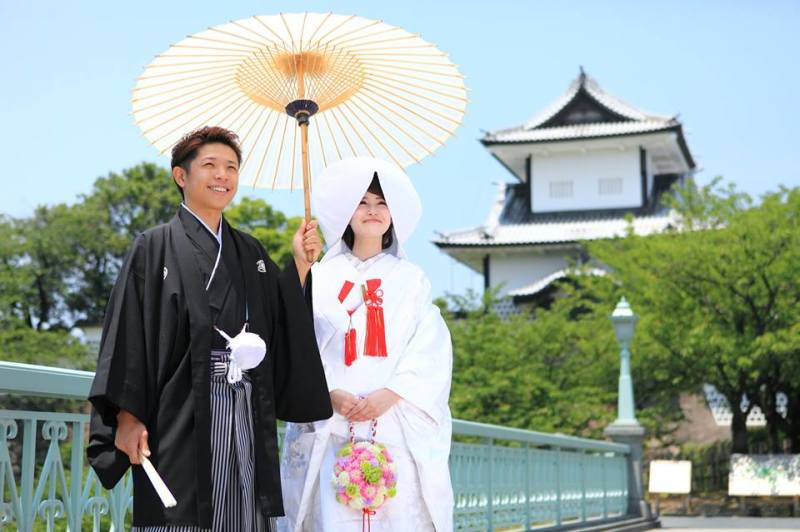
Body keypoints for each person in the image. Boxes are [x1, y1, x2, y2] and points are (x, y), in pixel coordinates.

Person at [87, 126, 332, 531]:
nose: (223, 176)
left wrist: (301, 264)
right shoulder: (154, 246)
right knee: (182, 510)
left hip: (246, 402)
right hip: (181, 408)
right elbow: (128, 334)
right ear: (181, 177)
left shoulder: (249, 250)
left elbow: (281, 317)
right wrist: (128, 416)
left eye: (232, 167)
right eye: (211, 166)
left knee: (245, 513)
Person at [279, 157, 454, 532]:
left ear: (394, 214)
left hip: (393, 425)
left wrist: (390, 394)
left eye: (381, 203)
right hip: (332, 421)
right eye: (362, 203)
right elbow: (297, 342)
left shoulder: (412, 279)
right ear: (346, 212)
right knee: (333, 517)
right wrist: (327, 393)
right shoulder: (320, 276)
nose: (372, 211)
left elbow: (431, 348)